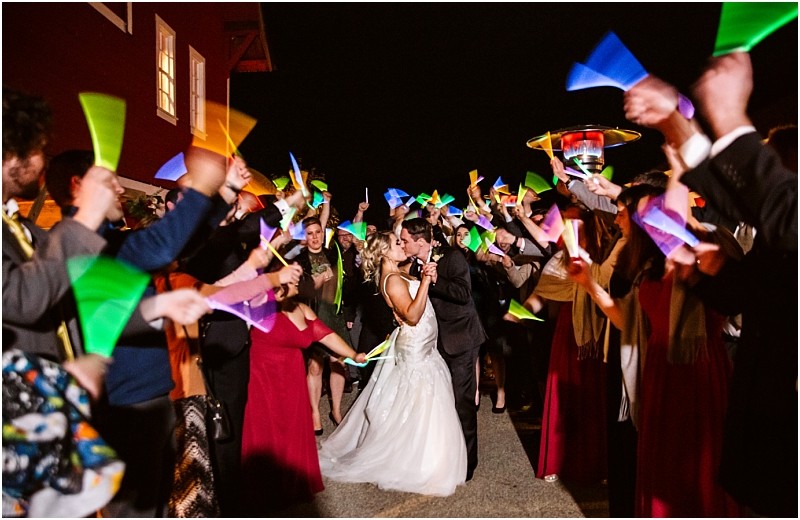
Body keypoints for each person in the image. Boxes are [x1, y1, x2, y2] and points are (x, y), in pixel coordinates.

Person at [622, 52, 797, 517]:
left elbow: (785, 217)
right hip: (771, 418)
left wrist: (731, 120)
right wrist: (707, 273)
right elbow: (768, 294)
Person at [568, 183, 743, 517]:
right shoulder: (647, 265)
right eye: (645, 215)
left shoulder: (706, 249)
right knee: (663, 475)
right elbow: (624, 320)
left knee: (700, 476)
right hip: (659, 376)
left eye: (657, 211)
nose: (651, 219)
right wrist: (587, 282)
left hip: (700, 375)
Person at [318, 231, 467, 496]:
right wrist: (423, 283)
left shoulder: (397, 272)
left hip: (423, 345)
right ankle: (416, 461)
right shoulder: (392, 280)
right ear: (385, 252)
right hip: (415, 347)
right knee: (419, 398)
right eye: (397, 243)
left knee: (419, 398)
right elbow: (411, 315)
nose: (402, 245)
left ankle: (426, 454)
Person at [207, 266, 362, 514]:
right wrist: (272, 285)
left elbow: (326, 335)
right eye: (290, 279)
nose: (295, 284)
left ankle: (291, 485)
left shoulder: (302, 309)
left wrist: (353, 354)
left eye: (295, 280)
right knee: (266, 434)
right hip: (261, 384)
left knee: (292, 430)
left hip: (291, 382)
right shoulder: (260, 307)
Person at [400, 218, 486, 481]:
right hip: (434, 340)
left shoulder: (452, 257)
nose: (402, 244)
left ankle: (467, 465)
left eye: (405, 240)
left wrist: (436, 281)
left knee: (462, 403)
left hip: (460, 339)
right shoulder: (413, 263)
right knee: (441, 403)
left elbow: (463, 294)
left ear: (421, 242)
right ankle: (446, 455)